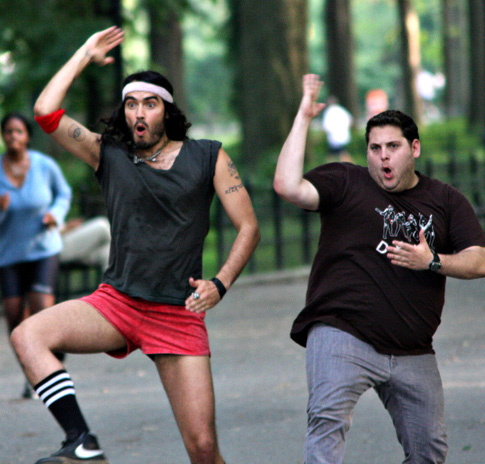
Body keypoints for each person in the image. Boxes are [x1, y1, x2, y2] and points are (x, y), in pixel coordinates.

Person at [12, 26, 260, 464]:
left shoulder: (208, 156)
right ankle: (80, 440)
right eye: (131, 104)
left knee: (203, 449)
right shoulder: (107, 155)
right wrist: (84, 53)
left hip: (178, 313)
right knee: (27, 335)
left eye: (149, 103)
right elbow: (46, 112)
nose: (139, 112)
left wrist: (219, 284)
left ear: (166, 110)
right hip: (118, 304)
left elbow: (249, 228)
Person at [273, 74, 485, 464]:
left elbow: (479, 261)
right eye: (375, 148)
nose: (383, 157)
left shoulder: (445, 200)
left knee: (429, 451)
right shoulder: (346, 181)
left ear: (414, 148)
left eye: (393, 146)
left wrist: (432, 261)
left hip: (412, 348)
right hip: (342, 333)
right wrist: (303, 117)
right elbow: (288, 187)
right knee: (326, 425)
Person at [0, 112, 71, 399]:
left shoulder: (44, 165)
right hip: (8, 255)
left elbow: (63, 193)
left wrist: (55, 214)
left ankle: (52, 360)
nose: (13, 136)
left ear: (27, 135)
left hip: (43, 249)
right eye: (8, 132)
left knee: (42, 309)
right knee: (14, 317)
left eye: (18, 131)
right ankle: (32, 375)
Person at [321, 96, 353, 163]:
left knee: (333, 154)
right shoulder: (342, 110)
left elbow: (326, 126)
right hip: (343, 136)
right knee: (342, 152)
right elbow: (350, 120)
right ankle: (348, 166)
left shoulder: (329, 112)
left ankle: (329, 167)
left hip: (334, 137)